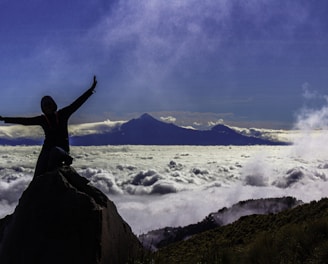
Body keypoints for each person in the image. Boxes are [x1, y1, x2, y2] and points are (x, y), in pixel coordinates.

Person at [0, 76, 97, 177]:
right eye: (45, 106)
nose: (48, 107)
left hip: (61, 149)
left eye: (49, 104)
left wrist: (91, 90)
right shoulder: (43, 119)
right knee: (38, 174)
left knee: (54, 154)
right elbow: (25, 121)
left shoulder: (63, 114)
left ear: (53, 105)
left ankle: (59, 169)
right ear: (43, 108)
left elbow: (77, 103)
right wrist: (4, 119)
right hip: (46, 150)